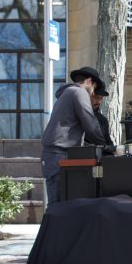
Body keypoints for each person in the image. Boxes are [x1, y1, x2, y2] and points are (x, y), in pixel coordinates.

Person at [41, 66, 106, 205]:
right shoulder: (79, 92)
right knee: (58, 205)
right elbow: (90, 122)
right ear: (89, 81)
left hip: (55, 155)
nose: (93, 92)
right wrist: (105, 146)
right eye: (94, 86)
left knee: (58, 203)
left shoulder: (68, 93)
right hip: (58, 155)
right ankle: (53, 227)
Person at [85, 83, 115, 151]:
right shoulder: (80, 116)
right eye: (96, 97)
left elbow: (108, 141)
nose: (98, 102)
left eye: (101, 98)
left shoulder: (103, 120)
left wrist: (114, 149)